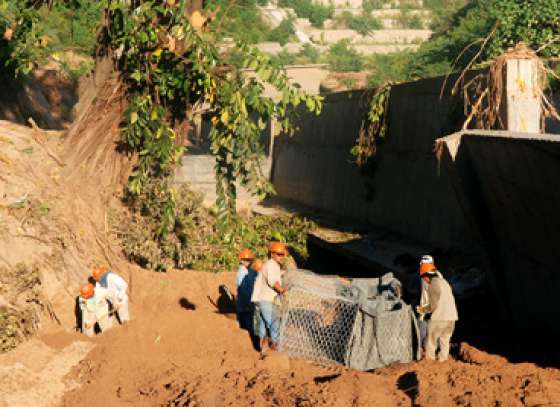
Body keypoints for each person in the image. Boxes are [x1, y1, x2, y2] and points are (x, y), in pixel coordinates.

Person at [416, 262, 458, 362]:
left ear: (426, 276)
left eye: (423, 277)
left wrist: (422, 310)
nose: (424, 280)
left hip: (439, 318)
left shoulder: (433, 285)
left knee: (430, 342)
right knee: (445, 341)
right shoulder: (445, 282)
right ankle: (442, 362)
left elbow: (433, 306)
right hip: (451, 318)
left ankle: (429, 362)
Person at [251, 242, 288, 353]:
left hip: (261, 300)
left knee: (263, 327)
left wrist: (282, 273)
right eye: (279, 254)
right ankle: (274, 350)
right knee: (274, 323)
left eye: (282, 254)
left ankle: (264, 351)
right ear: (272, 254)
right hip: (266, 300)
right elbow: (272, 282)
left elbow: (274, 276)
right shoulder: (271, 265)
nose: (281, 256)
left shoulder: (271, 265)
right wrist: (282, 290)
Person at [236, 249, 256, 331]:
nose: (248, 262)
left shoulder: (244, 270)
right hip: (245, 298)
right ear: (241, 260)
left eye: (249, 260)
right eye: (246, 260)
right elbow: (243, 288)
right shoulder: (243, 271)